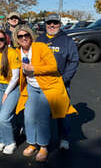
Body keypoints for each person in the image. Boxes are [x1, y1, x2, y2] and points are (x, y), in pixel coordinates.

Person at [13, 24, 77, 162]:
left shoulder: (40, 47)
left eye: (26, 35)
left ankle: (43, 146)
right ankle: (32, 143)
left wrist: (34, 68)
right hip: (30, 88)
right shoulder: (17, 51)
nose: (24, 38)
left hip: (46, 87)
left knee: (42, 118)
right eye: (20, 36)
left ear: (31, 36)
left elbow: (53, 66)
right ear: (17, 39)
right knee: (28, 116)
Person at [36, 13, 79, 150]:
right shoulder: (39, 40)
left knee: (63, 113)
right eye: (49, 23)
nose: (52, 25)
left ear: (59, 24)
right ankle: (43, 141)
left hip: (60, 84)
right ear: (45, 24)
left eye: (55, 23)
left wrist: (64, 79)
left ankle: (64, 138)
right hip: (41, 83)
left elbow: (73, 61)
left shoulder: (67, 41)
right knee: (42, 114)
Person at [0, 30, 21, 155]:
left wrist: (6, 93)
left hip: (11, 87)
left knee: (4, 117)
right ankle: (1, 139)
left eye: (1, 39)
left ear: (6, 40)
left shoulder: (12, 53)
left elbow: (16, 77)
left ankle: (10, 142)